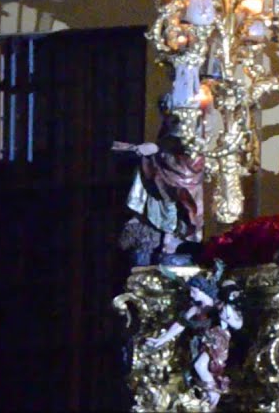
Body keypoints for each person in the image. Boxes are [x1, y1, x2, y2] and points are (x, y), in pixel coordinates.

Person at [114, 101, 206, 265]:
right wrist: (152, 151)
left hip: (182, 182)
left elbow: (189, 162)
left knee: (177, 208)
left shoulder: (193, 141)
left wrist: (156, 151)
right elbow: (163, 150)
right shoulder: (167, 137)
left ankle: (172, 237)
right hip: (162, 191)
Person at [146, 266, 242, 410]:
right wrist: (162, 339)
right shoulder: (195, 309)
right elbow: (180, 324)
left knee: (200, 366)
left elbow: (237, 324)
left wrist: (228, 314)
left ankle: (214, 393)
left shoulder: (218, 307)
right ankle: (206, 398)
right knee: (193, 371)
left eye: (194, 291)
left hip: (216, 341)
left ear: (203, 291)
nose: (191, 295)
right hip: (199, 343)